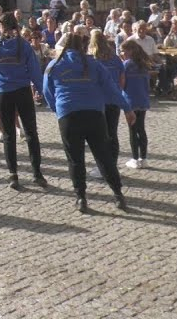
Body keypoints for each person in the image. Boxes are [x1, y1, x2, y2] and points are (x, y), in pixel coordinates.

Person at [42, 32, 134, 213]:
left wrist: (57, 109)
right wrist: (127, 108)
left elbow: (47, 91)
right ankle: (118, 194)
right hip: (94, 114)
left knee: (75, 159)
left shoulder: (54, 65)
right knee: (103, 156)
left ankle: (81, 198)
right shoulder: (95, 64)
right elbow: (112, 89)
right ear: (83, 47)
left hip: (68, 114)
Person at [0, 13, 47, 190]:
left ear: (0, 27)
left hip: (3, 93)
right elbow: (34, 71)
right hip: (23, 91)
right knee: (31, 133)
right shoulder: (24, 46)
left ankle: (13, 175)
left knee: (8, 135)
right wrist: (42, 91)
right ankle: (37, 173)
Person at [88, 29, 125, 175]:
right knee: (112, 133)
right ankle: (113, 164)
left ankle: (103, 167)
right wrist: (118, 92)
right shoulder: (115, 58)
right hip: (114, 99)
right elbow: (122, 78)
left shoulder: (92, 59)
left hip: (98, 101)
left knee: (99, 136)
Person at [120, 40, 152, 169]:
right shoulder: (143, 65)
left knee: (133, 130)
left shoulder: (126, 65)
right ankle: (143, 158)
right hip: (143, 99)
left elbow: (122, 84)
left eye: (124, 51)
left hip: (130, 100)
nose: (122, 53)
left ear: (130, 51)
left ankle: (134, 158)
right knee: (141, 129)